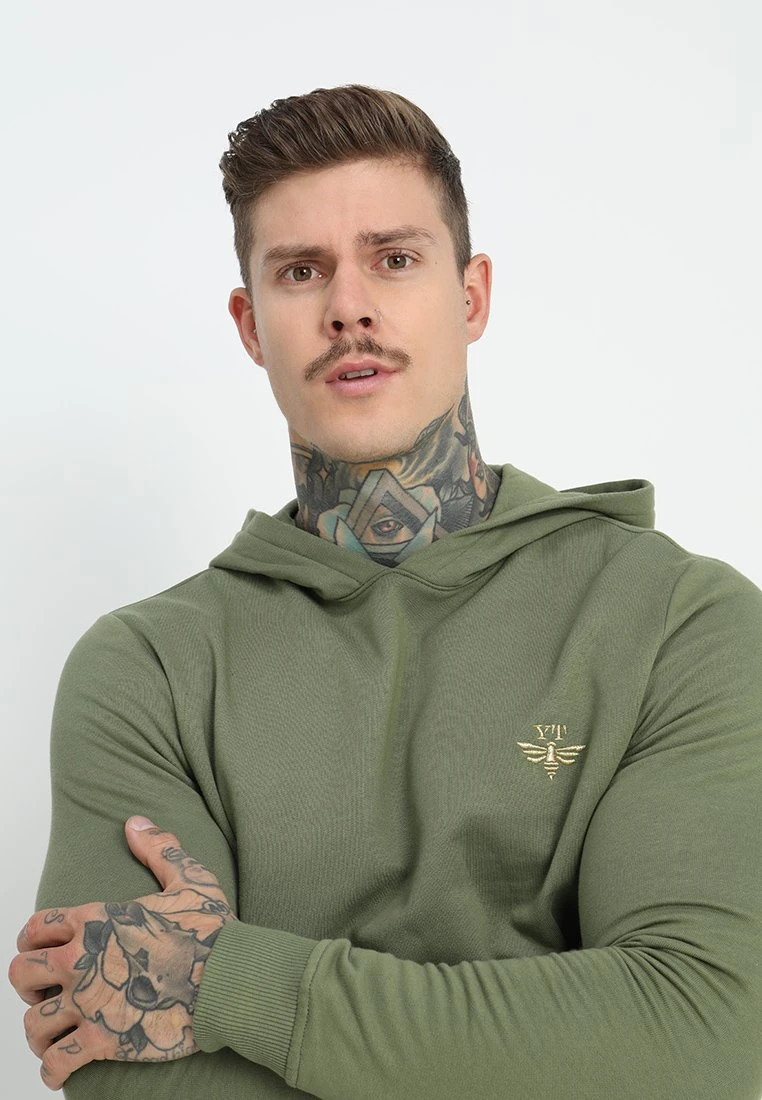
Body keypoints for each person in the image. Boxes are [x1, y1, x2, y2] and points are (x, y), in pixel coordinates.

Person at [8, 84, 762, 1099]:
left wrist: (230, 983)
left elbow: (704, 1037)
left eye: (394, 259)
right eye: (301, 270)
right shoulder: (147, 672)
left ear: (472, 296)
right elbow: (130, 1076)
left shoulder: (678, 622)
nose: (348, 306)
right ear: (250, 324)